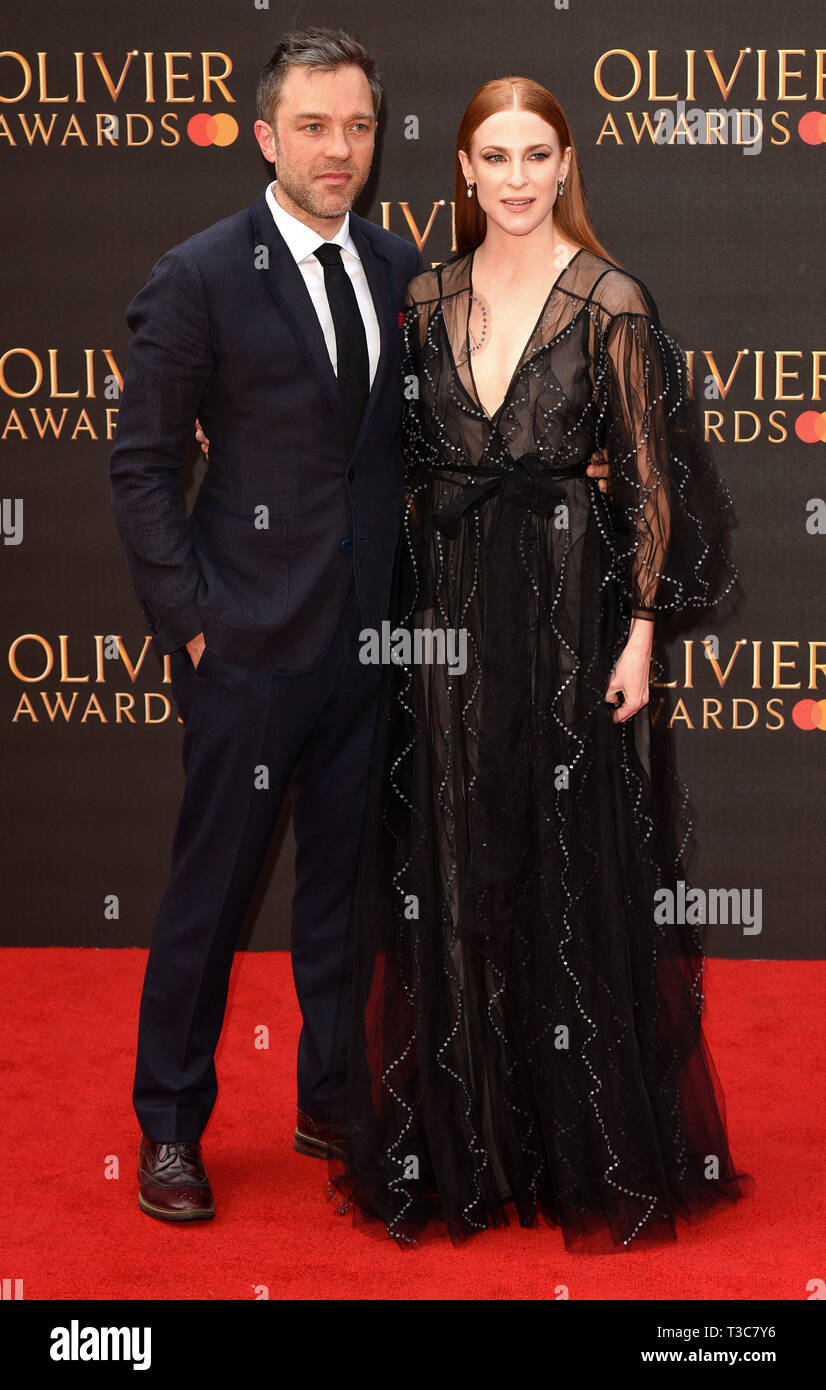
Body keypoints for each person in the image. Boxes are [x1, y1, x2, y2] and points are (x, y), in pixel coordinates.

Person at [108, 27, 616, 1224]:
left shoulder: (404, 268)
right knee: (211, 895)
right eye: (314, 126)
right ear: (265, 135)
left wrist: (562, 469)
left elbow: (440, 438)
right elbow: (139, 470)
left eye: (357, 127)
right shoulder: (199, 275)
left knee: (345, 890)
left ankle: (330, 1092)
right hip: (246, 647)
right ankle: (170, 1123)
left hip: (377, 643)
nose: (339, 149)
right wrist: (192, 626)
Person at [326, 76, 754, 1254]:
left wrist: (645, 633)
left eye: (535, 155)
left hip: (571, 612)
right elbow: (382, 454)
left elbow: (658, 477)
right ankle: (470, 1140)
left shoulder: (611, 299)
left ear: (565, 167)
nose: (514, 177)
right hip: (449, 609)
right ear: (462, 171)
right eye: (493, 156)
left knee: (569, 866)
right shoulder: (425, 295)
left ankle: (583, 1149)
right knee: (455, 861)